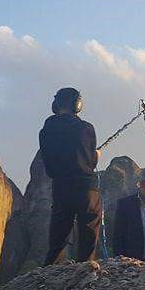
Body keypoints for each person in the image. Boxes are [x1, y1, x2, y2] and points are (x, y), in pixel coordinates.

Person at [38, 87, 102, 265]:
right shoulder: (85, 128)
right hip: (85, 188)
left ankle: (51, 267)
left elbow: (49, 164)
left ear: (55, 105)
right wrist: (96, 155)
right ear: (78, 105)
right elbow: (90, 162)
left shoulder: (45, 131)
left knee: (58, 234)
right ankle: (86, 266)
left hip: (60, 188)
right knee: (89, 228)